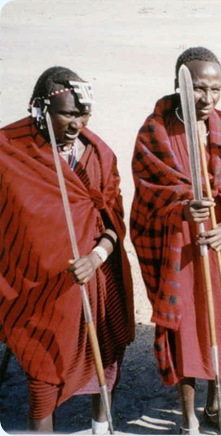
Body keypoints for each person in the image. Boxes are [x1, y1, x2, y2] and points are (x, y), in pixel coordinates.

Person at [130, 47, 221, 435]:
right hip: (179, 246)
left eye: (214, 89)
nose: (207, 99)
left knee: (220, 324)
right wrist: (182, 209)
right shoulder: (154, 131)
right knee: (184, 329)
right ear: (179, 85)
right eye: (198, 89)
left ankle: (214, 403)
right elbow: (148, 193)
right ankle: (188, 418)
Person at [0, 66, 135, 433]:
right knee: (43, 371)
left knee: (105, 355)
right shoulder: (9, 153)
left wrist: (96, 257)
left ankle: (100, 425)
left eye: (83, 113)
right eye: (67, 114)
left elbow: (114, 224)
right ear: (41, 108)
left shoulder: (98, 155)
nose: (77, 123)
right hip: (35, 289)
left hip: (95, 277)